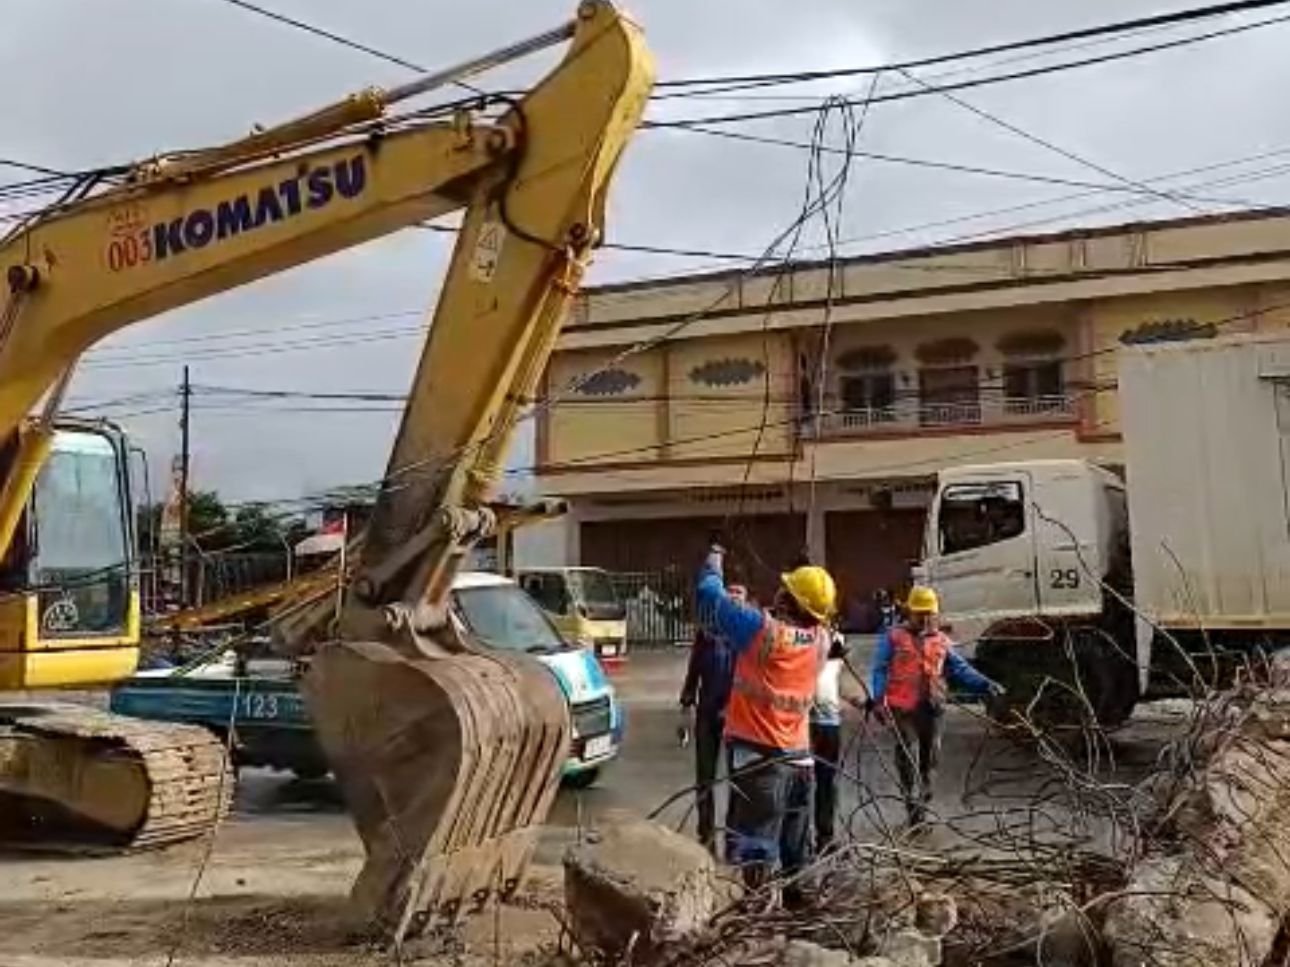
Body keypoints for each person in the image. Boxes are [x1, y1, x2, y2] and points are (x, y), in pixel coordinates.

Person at [695, 544, 836, 897]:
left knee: (754, 855)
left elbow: (709, 595)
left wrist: (714, 557)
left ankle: (754, 924)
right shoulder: (822, 639)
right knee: (795, 855)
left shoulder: (763, 632)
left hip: (760, 763)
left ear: (788, 599)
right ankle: (799, 922)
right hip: (800, 761)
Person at [868, 586, 1001, 828]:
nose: (927, 619)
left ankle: (924, 798)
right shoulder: (893, 637)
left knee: (930, 759)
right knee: (907, 753)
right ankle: (911, 804)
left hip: (933, 705)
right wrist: (878, 700)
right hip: (903, 707)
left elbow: (960, 669)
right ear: (910, 612)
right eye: (921, 614)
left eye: (930, 614)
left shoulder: (941, 641)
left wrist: (986, 684)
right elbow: (879, 668)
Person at [679, 582, 747, 855]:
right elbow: (693, 671)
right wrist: (686, 705)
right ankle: (705, 835)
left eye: (738, 599)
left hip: (737, 718)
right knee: (705, 778)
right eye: (729, 598)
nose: (733, 603)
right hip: (707, 713)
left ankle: (733, 839)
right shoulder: (706, 635)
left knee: (738, 778)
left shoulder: (746, 637)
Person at [810, 628, 847, 854]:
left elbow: (839, 685)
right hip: (804, 723)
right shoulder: (801, 638)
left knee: (827, 782)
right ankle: (800, 839)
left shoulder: (837, 646)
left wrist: (863, 701)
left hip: (830, 723)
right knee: (801, 782)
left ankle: (825, 836)